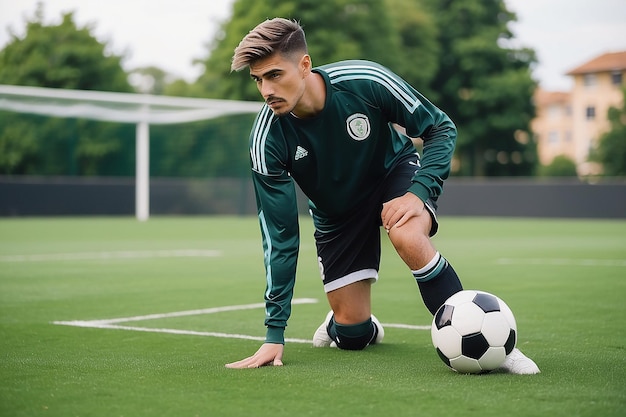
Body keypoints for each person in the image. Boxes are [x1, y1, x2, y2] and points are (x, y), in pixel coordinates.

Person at [225, 18, 539, 374]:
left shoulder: (365, 80)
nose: (266, 90)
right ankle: (344, 324)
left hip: (394, 176)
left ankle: (499, 348)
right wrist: (274, 334)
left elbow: (439, 127)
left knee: (406, 234)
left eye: (274, 75)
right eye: (258, 79)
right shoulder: (266, 139)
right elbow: (280, 238)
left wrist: (418, 193)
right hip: (336, 214)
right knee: (354, 335)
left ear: (305, 64)